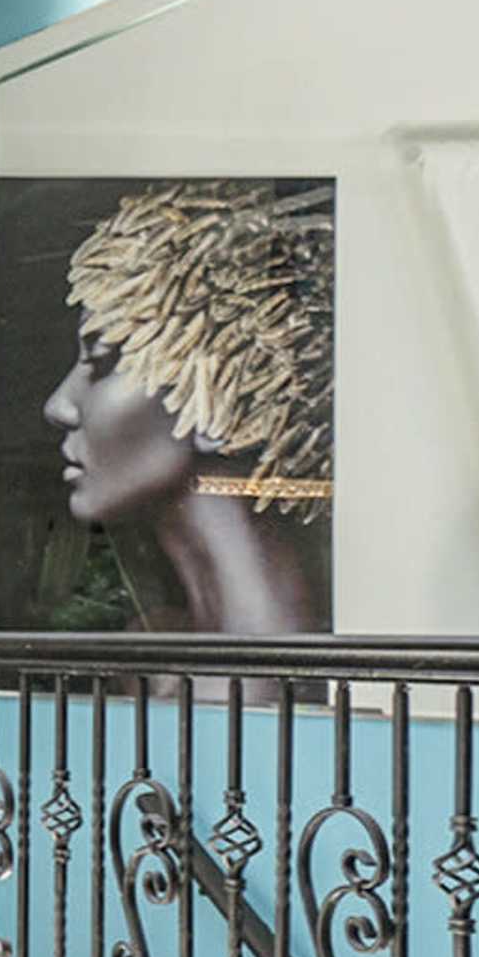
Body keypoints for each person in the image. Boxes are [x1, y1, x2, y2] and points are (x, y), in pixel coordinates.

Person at [44, 182, 333, 636]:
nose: (59, 406)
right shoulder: (148, 654)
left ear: (226, 387)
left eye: (102, 361)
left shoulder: (273, 685)